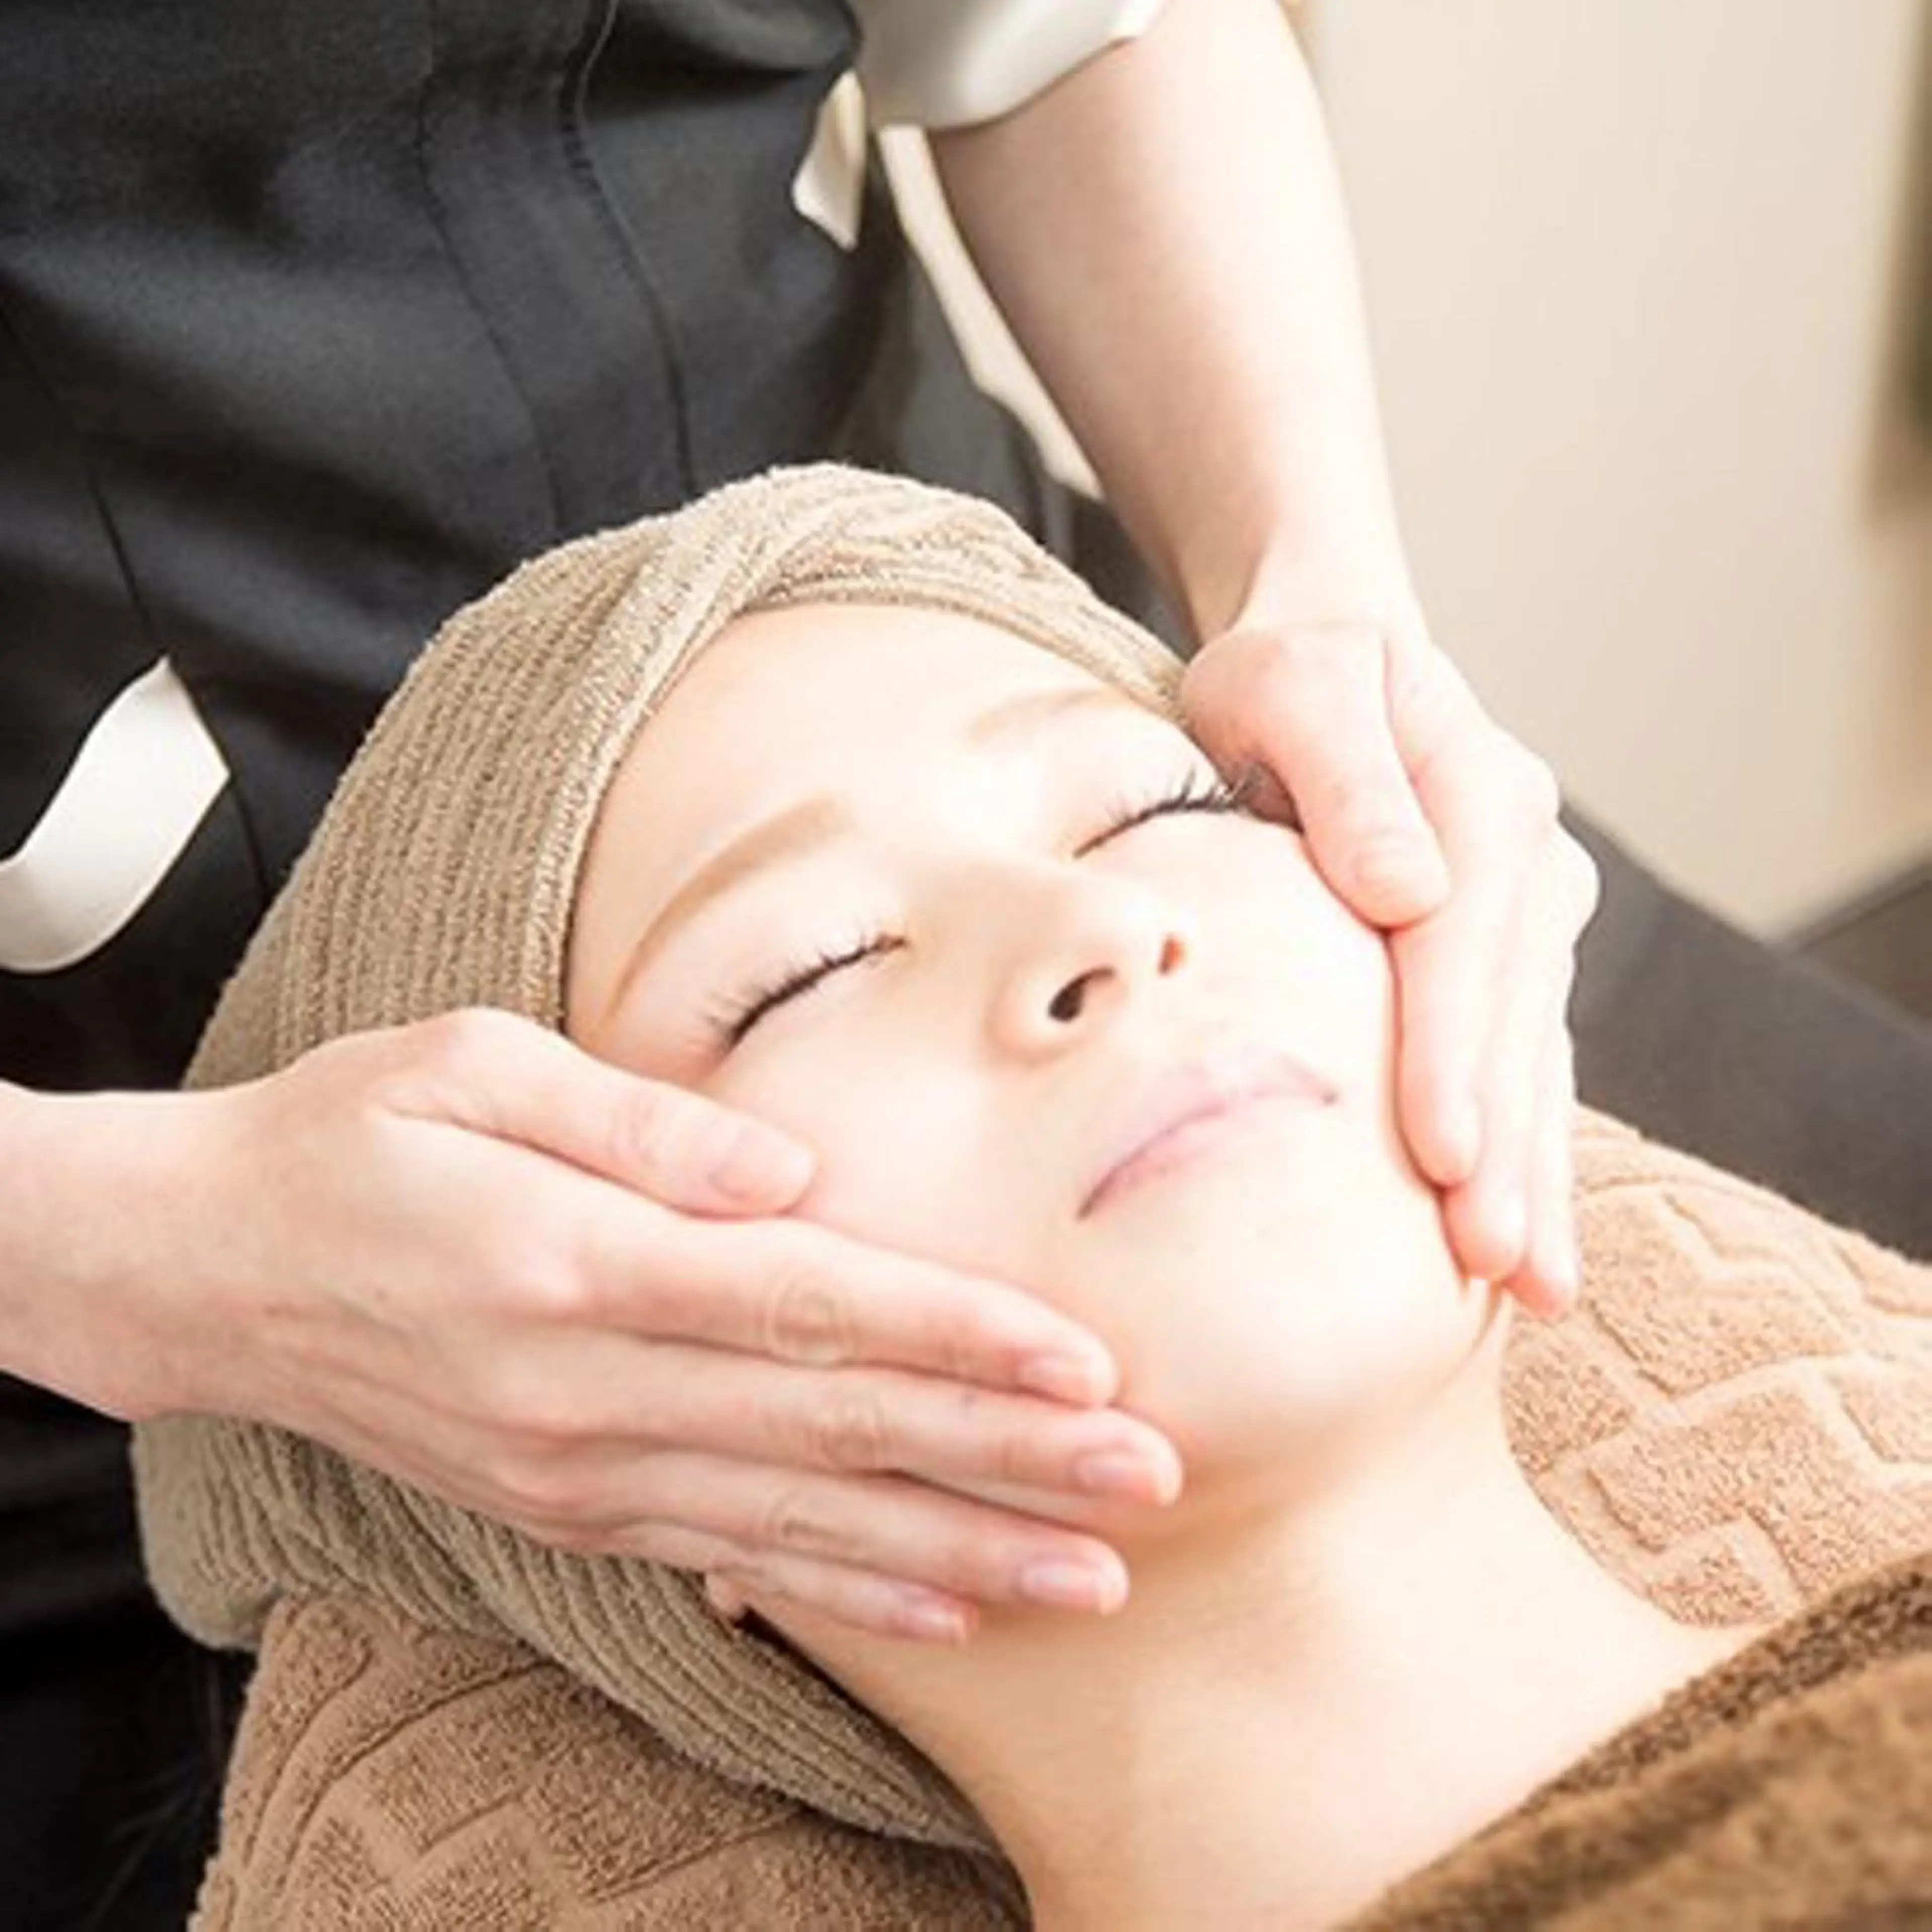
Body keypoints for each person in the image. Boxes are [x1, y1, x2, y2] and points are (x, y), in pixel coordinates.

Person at [5, 3, 1927, 1924]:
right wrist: (106, 1240)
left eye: (1155, 810)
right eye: (810, 968)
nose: (1098, 927)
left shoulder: (1302, 862)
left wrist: (1314, 593)